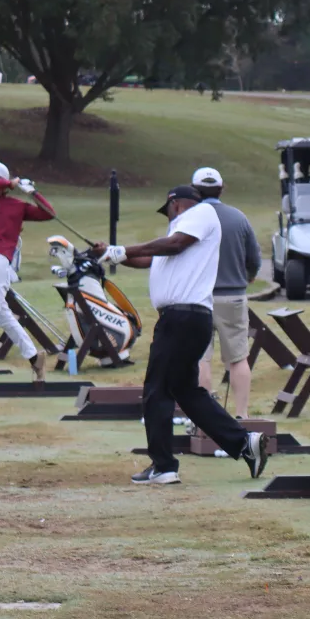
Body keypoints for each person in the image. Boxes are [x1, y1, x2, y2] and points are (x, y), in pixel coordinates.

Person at [91, 187, 269, 485]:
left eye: (170, 209)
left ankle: (164, 466)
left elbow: (174, 245)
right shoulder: (181, 236)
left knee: (156, 390)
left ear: (176, 204)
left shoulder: (199, 215)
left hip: (182, 317)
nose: (171, 217)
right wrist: (111, 253)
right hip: (188, 319)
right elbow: (149, 259)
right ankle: (244, 443)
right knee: (187, 392)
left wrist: (124, 250)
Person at [0, 161, 53, 385]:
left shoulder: (16, 205)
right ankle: (35, 357)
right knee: (2, 315)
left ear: (0, 183)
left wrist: (33, 192)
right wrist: (12, 182)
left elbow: (48, 213)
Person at [190, 167, 261, 419]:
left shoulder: (191, 218)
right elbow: (254, 257)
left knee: (200, 358)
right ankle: (241, 416)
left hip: (198, 297)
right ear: (222, 188)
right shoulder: (238, 217)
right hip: (233, 295)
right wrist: (249, 275)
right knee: (238, 358)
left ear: (194, 190)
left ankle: (205, 417)